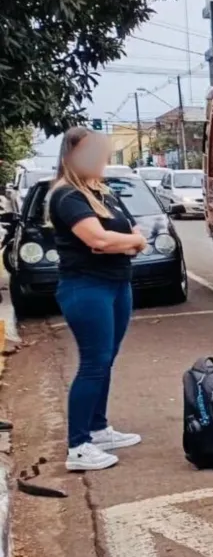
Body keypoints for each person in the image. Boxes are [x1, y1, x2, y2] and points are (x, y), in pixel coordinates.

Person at [50, 128, 149, 471]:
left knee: (106, 359)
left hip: (118, 284)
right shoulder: (67, 196)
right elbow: (99, 241)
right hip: (86, 287)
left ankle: (97, 427)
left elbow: (132, 231)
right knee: (94, 362)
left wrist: (128, 241)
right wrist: (130, 243)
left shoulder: (101, 192)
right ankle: (77, 447)